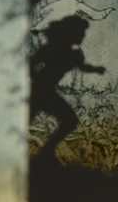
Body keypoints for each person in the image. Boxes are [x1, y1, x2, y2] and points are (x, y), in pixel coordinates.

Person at [30, 16, 106, 164]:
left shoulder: (73, 54)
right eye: (81, 32)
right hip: (39, 91)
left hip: (45, 92)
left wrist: (97, 69)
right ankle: (44, 153)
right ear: (71, 33)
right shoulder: (52, 49)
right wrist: (36, 78)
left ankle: (46, 153)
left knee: (70, 121)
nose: (83, 36)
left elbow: (83, 67)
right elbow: (31, 63)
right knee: (69, 121)